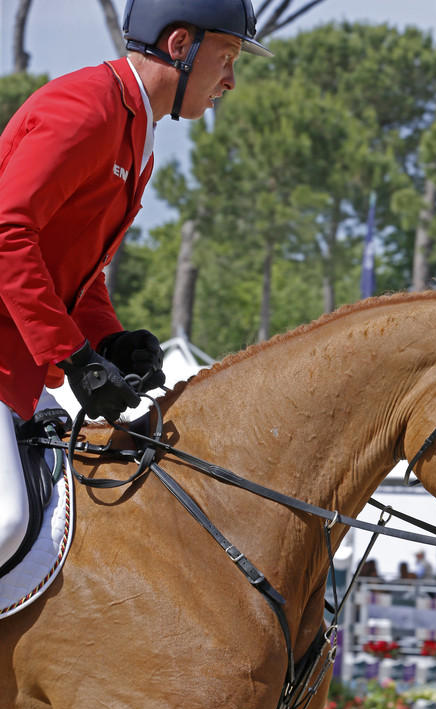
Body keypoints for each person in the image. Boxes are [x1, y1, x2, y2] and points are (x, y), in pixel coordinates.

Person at [0, 0, 271, 567]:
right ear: (179, 46)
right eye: (226, 56)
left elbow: (77, 270)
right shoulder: (87, 108)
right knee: (7, 521)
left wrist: (107, 340)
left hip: (19, 373)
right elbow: (6, 232)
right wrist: (71, 355)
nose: (232, 80)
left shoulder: (133, 129)